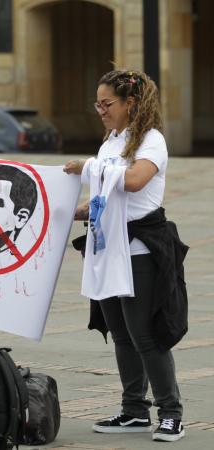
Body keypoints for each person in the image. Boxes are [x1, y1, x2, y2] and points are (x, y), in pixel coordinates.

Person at [64, 69, 188, 442]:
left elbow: (134, 182)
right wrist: (70, 209)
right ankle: (134, 410)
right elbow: (106, 197)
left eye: (107, 103)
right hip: (108, 247)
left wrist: (88, 167)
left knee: (145, 335)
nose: (100, 110)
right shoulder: (111, 142)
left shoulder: (151, 141)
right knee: (120, 334)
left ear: (130, 103)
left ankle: (171, 413)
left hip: (140, 250)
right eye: (97, 104)